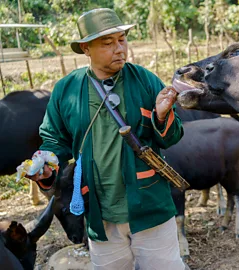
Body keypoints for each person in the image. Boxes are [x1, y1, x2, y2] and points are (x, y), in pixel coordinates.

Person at [24, 8, 187, 270]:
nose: (119, 48)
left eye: (122, 39)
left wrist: (162, 115)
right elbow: (53, 141)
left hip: (150, 207)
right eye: (107, 43)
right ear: (86, 48)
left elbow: (172, 137)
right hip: (101, 212)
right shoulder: (67, 90)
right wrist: (46, 168)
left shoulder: (145, 80)